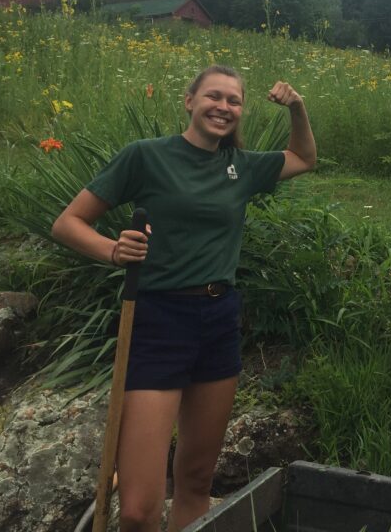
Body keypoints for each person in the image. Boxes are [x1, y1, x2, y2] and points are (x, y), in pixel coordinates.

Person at [52, 64, 316, 532]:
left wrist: (297, 107)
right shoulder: (145, 156)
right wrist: (114, 251)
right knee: (137, 510)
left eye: (234, 101)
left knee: (195, 480)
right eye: (214, 96)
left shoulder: (241, 167)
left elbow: (302, 157)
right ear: (189, 101)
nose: (224, 107)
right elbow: (68, 223)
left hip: (218, 319)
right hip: (156, 318)